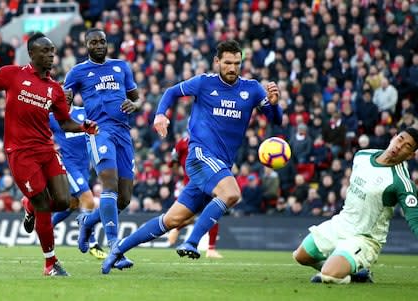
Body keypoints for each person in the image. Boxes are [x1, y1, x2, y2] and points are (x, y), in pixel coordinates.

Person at [102, 40, 282, 274]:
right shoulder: (204, 83)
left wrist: (276, 105)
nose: (232, 68)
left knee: (171, 220)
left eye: (237, 63)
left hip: (219, 165)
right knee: (231, 193)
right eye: (227, 62)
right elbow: (171, 92)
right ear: (217, 62)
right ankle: (192, 242)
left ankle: (117, 250)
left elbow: (275, 119)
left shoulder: (253, 89)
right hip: (199, 155)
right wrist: (159, 115)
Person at [0, 32, 98, 276]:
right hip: (20, 152)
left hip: (46, 150)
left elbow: (64, 122)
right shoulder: (13, 74)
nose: (51, 55)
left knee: (64, 201)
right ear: (32, 53)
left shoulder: (55, 89)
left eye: (52, 51)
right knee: (43, 202)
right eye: (45, 51)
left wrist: (84, 127)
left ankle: (29, 206)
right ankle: (50, 263)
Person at [293, 127, 418, 284]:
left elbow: (415, 219)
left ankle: (341, 269)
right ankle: (356, 273)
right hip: (341, 224)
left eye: (407, 146)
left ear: (411, 155)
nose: (399, 146)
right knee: (300, 256)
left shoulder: (402, 182)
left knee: (329, 275)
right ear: (394, 137)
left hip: (364, 238)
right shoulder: (362, 156)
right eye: (400, 139)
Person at [64, 29, 143, 269]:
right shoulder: (77, 71)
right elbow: (63, 102)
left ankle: (87, 222)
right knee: (109, 184)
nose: (99, 45)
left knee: (124, 198)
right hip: (99, 131)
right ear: (86, 45)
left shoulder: (121, 67)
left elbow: (137, 97)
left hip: (123, 133)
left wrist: (135, 104)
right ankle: (114, 248)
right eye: (93, 42)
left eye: (102, 41)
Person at [48, 101, 107, 259]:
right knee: (88, 199)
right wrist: (50, 147)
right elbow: (39, 133)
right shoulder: (52, 117)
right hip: (69, 165)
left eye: (68, 92)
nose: (65, 96)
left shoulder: (84, 112)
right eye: (61, 93)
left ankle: (48, 225)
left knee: (73, 204)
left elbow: (98, 129)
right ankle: (92, 242)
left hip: (84, 166)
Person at [167, 135, 223, 259]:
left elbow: (172, 162)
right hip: (202, 183)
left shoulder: (182, 142)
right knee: (212, 212)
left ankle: (210, 248)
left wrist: (183, 172)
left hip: (196, 182)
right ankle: (210, 249)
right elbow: (173, 163)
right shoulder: (205, 139)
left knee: (204, 213)